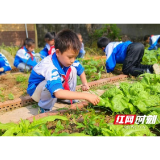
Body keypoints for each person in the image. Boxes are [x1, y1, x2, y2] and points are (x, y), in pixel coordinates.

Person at [27, 29, 100, 113]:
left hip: (48, 87)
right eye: (70, 57)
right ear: (57, 52)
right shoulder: (50, 66)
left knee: (72, 69)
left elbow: (80, 69)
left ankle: (68, 97)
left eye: (75, 57)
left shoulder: (66, 59)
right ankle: (45, 107)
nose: (73, 60)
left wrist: (85, 84)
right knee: (50, 83)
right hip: (36, 91)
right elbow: (58, 93)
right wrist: (86, 96)